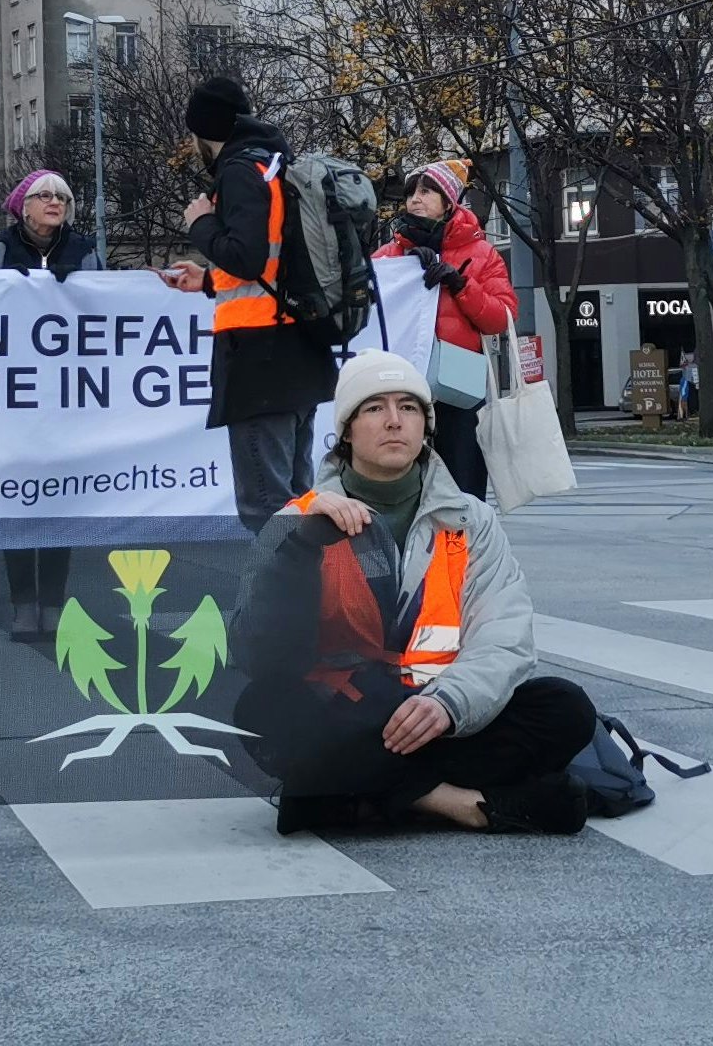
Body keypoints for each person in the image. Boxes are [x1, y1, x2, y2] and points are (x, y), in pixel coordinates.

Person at [231, 351, 596, 835]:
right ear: (346, 431)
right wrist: (299, 553)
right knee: (263, 707)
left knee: (565, 707)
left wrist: (448, 704)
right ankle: (462, 804)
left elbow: (503, 636)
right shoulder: (296, 519)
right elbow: (260, 654)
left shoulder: (470, 519)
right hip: (346, 717)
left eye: (408, 407)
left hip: (438, 716)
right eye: (374, 408)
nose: (393, 421)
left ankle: (364, 795)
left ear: (426, 425)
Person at [159, 76, 338, 529]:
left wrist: (200, 223)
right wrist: (207, 282)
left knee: (267, 509)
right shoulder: (275, 165)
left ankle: (278, 602)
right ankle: (305, 598)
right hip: (297, 351)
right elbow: (270, 267)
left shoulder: (239, 170)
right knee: (297, 504)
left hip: (261, 363)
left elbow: (247, 257)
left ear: (205, 132)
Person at [0, 167, 105, 637]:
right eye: (45, 195)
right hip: (10, 400)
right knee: (18, 502)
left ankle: (53, 602)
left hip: (66, 399)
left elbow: (105, 314)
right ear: (23, 206)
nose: (56, 202)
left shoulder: (85, 251)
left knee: (58, 502)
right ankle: (22, 603)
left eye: (63, 197)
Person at [377, 159, 516, 500]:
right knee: (400, 486)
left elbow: (502, 317)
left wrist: (460, 284)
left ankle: (463, 551)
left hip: (459, 385)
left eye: (425, 191)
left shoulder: (482, 254)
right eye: (410, 192)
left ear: (448, 201)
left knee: (462, 486)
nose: (414, 199)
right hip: (400, 384)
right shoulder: (387, 256)